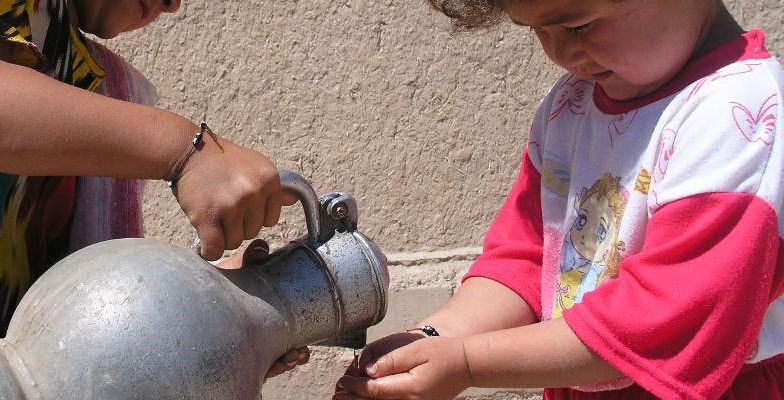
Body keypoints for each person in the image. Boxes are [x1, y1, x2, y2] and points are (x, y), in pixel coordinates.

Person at [0, 0, 303, 398]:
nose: (174, 5)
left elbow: (62, 297)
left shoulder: (65, 61)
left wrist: (203, 313)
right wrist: (184, 151)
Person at [335, 0, 784, 399]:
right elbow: (528, 260)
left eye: (579, 26)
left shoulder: (742, 114)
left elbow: (664, 320)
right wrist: (432, 340)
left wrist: (468, 362)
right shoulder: (573, 103)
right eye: (536, 30)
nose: (561, 54)